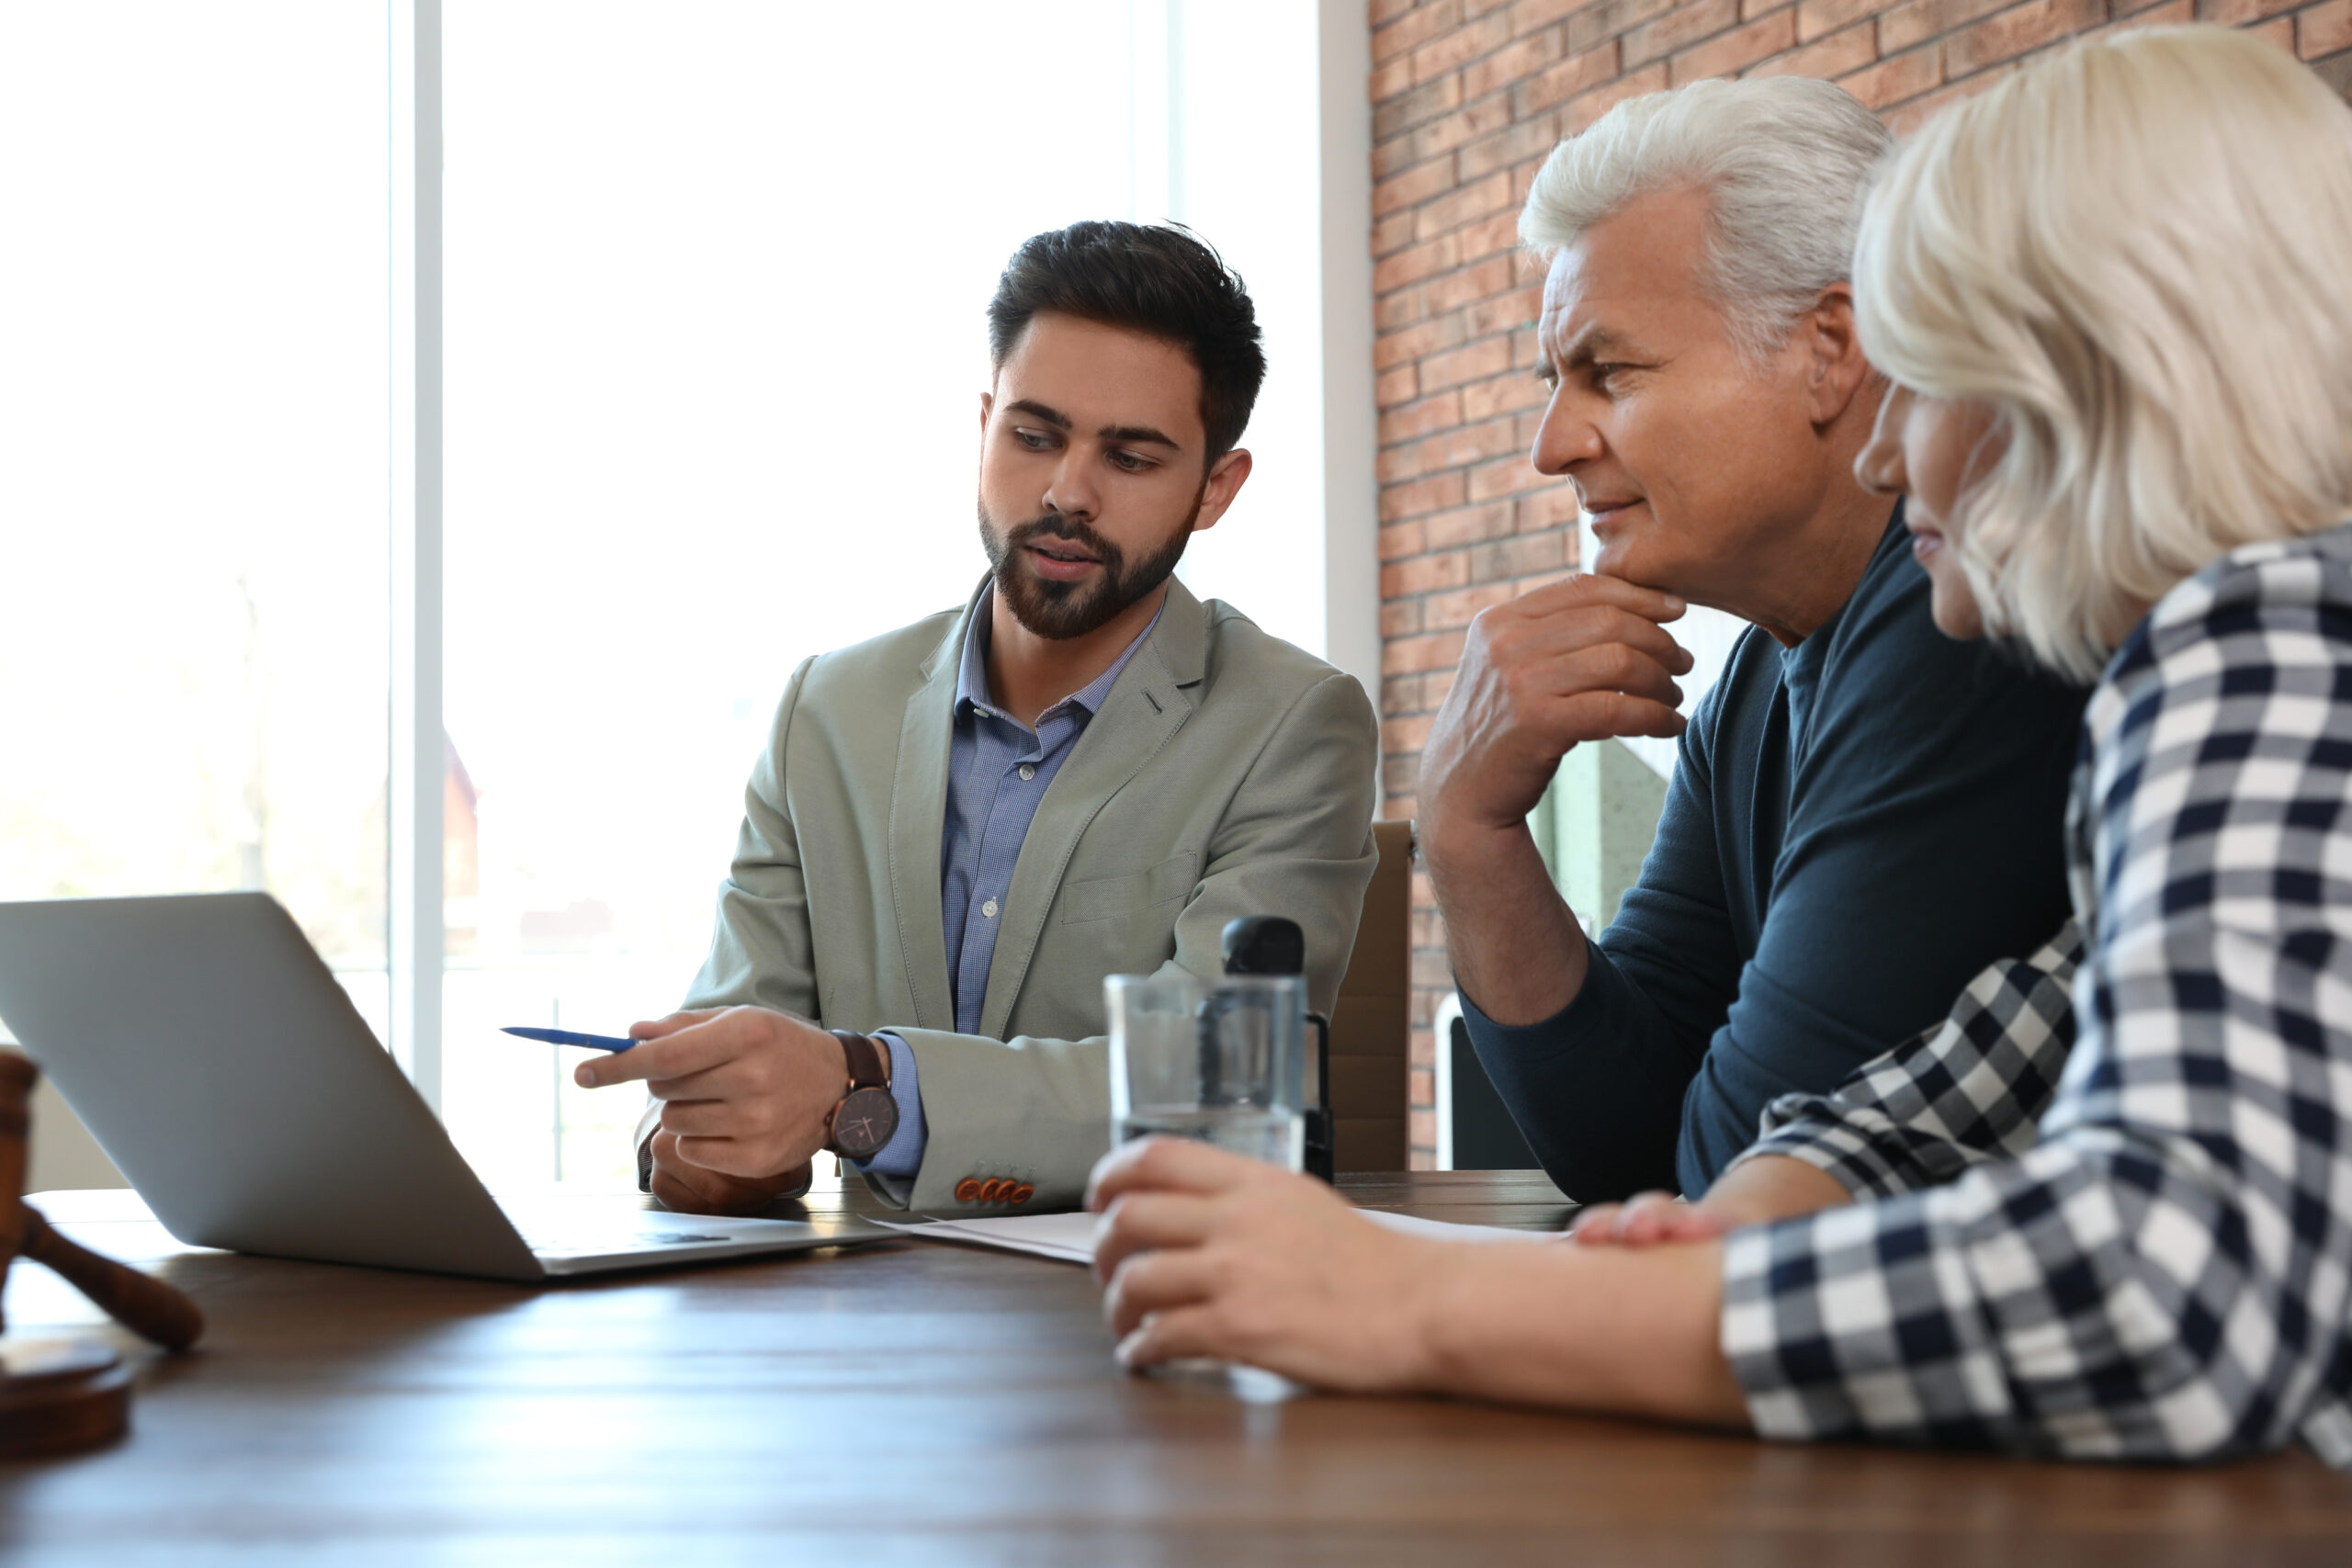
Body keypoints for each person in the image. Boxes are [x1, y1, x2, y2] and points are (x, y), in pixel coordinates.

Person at [1087, 26, 2352, 1468]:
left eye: (1927, 371)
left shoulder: (2248, 639)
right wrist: (1469, 834)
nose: (1889, 450)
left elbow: (2175, 1292)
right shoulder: (1810, 669)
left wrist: (1431, 1296)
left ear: (2097, 376)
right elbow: (1994, 1045)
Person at [578, 221, 1380, 1216]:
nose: (1063, 494)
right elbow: (737, 1034)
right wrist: (704, 1138)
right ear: (986, 420)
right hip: (852, 1318)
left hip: (1136, 1313)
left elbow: (1220, 1089)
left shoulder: (1295, 724)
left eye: (1129, 458)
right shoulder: (823, 712)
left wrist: (860, 1083)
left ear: (1216, 488)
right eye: (1033, 436)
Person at [1418, 76, 2086, 1202]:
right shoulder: (1762, 673)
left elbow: (1733, 1181)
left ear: (1830, 348)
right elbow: (1621, 1144)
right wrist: (1465, 827)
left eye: (1609, 372)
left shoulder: (1961, 632)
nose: (1550, 444)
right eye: (1553, 381)